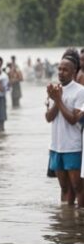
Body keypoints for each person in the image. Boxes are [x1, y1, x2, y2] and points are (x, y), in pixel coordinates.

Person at [46, 53, 84, 207]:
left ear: (74, 72)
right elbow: (49, 117)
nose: (61, 72)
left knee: (77, 186)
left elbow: (73, 119)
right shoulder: (54, 90)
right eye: (59, 69)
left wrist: (59, 100)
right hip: (56, 146)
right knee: (64, 187)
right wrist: (55, 99)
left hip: (72, 145)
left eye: (65, 70)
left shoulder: (80, 91)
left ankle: (79, 218)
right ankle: (65, 218)